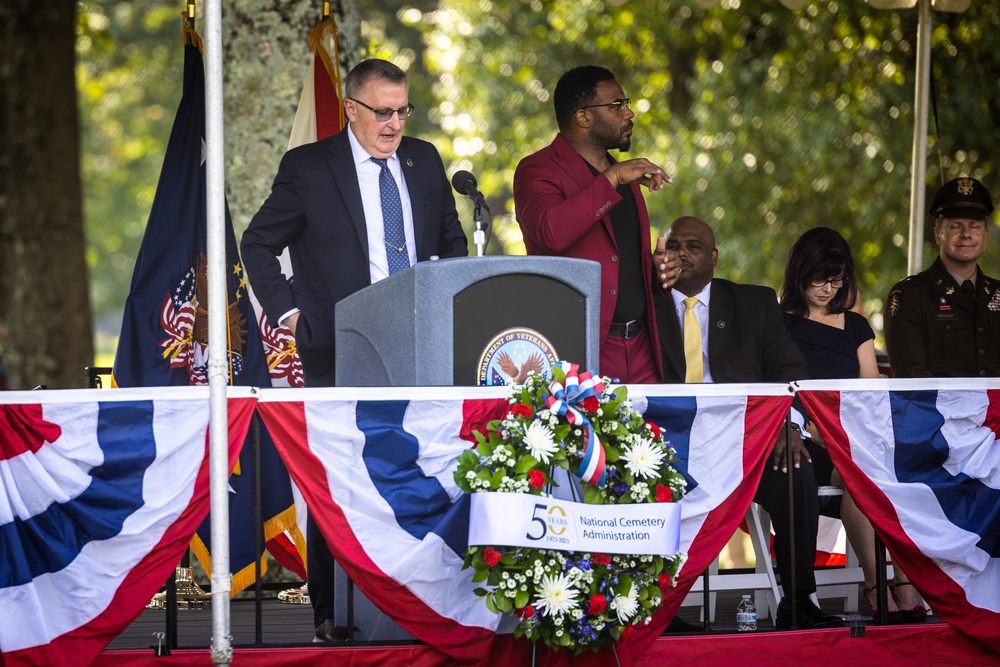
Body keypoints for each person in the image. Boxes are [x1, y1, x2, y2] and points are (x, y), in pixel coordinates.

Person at [241, 58, 468, 643]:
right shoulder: (310, 168)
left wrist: (445, 296)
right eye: (383, 112)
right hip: (341, 348)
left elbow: (451, 240)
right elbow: (259, 243)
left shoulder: (423, 161)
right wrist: (291, 315)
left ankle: (427, 599)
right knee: (342, 481)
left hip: (422, 347)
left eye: (402, 111)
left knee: (427, 465)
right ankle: (331, 610)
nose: (394, 124)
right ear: (351, 108)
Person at [653, 216, 841, 629]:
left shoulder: (753, 303)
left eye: (694, 246)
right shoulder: (645, 306)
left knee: (796, 471)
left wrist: (789, 425)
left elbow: (790, 368)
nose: (682, 253)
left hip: (743, 442)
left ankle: (797, 600)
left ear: (715, 257)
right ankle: (661, 607)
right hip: (672, 445)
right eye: (673, 245)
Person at [781, 227, 925, 623]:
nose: (827, 288)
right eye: (818, 279)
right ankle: (878, 585)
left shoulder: (857, 326)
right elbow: (780, 391)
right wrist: (812, 427)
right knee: (861, 474)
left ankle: (903, 581)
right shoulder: (779, 325)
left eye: (836, 278)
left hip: (856, 435)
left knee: (897, 471)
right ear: (798, 273)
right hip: (806, 441)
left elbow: (870, 393)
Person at [512, 65, 680, 384]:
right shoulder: (537, 169)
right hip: (581, 349)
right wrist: (613, 178)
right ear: (583, 117)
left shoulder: (623, 174)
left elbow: (621, 257)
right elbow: (551, 233)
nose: (629, 112)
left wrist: (656, 269)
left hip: (643, 346)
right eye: (617, 105)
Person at [885, 176, 998, 378]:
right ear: (938, 235)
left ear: (986, 236)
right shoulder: (910, 296)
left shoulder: (997, 293)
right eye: (955, 226)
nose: (966, 234)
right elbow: (910, 372)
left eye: (974, 226)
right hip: (940, 409)